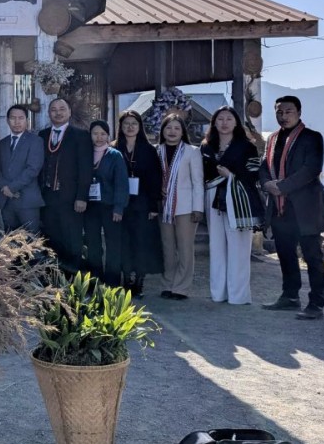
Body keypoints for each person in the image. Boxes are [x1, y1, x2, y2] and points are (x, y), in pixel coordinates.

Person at [259, 96, 324, 320]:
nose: (283, 116)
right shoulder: (272, 139)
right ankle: (290, 296)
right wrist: (266, 184)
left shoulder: (311, 138)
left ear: (299, 112)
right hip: (281, 209)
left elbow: (311, 169)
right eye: (279, 112)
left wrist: (281, 187)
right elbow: (264, 166)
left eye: (288, 111)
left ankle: (316, 303)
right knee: (285, 254)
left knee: (312, 256)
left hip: (306, 208)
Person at [201, 106, 265, 306]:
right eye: (220, 119)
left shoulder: (247, 146)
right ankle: (218, 293)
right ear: (214, 122)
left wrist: (231, 177)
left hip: (238, 198)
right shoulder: (206, 146)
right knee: (216, 246)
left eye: (229, 118)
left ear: (236, 122)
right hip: (213, 196)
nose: (225, 123)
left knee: (238, 248)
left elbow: (254, 174)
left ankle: (238, 296)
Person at [37, 98, 93, 275]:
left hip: (71, 198)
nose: (58, 113)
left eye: (62, 109)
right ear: (49, 113)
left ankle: (73, 282)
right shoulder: (42, 135)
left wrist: (82, 197)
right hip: (47, 197)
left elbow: (85, 169)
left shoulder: (81, 135)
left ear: (69, 111)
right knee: (51, 239)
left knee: (72, 240)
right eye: (54, 109)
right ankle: (54, 280)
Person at [113, 109, 163, 298]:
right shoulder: (114, 148)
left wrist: (153, 205)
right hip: (121, 203)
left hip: (142, 202)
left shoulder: (148, 149)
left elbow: (155, 178)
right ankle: (127, 279)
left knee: (141, 243)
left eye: (134, 123)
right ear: (121, 126)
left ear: (139, 127)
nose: (130, 127)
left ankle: (139, 281)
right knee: (124, 242)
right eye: (126, 123)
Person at [156, 113, 204, 301]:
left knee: (185, 248)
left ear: (183, 131)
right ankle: (168, 284)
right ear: (163, 131)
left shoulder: (192, 151)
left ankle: (181, 287)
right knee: (167, 248)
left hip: (186, 207)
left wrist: (198, 208)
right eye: (168, 128)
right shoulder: (156, 150)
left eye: (177, 128)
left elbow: (198, 181)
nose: (172, 132)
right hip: (164, 207)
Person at [84, 120, 129, 285]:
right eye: (95, 133)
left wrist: (119, 207)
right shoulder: (85, 153)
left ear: (108, 136)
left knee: (113, 246)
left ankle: (113, 283)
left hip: (111, 207)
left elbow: (121, 183)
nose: (99, 137)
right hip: (90, 207)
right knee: (93, 245)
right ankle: (95, 281)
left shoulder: (114, 155)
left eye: (103, 133)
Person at [0, 105, 45, 233]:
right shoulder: (1, 143)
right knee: (9, 243)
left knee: (30, 244)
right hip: (6, 201)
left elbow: (33, 169)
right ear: (7, 120)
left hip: (27, 201)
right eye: (13, 118)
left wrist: (11, 188)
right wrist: (4, 187)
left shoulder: (36, 141)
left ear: (27, 120)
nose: (17, 122)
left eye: (21, 118)